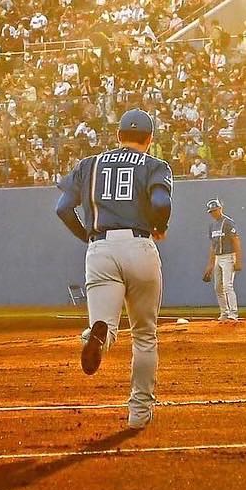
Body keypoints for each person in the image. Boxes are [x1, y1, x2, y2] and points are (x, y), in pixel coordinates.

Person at [55, 108, 173, 430]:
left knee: (104, 322)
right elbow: (161, 204)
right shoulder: (155, 166)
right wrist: (160, 225)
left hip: (101, 248)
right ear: (149, 139)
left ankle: (98, 336)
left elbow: (62, 208)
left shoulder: (89, 165)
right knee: (145, 335)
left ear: (118, 136)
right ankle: (139, 413)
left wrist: (88, 237)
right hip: (139, 246)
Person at [201, 198, 243, 324]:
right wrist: (210, 264)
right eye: (211, 211)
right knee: (218, 287)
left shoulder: (228, 222)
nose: (213, 213)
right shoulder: (212, 225)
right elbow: (213, 246)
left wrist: (238, 260)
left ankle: (233, 314)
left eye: (215, 210)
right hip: (218, 258)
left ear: (220, 208)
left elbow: (236, 241)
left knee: (227, 285)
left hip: (228, 256)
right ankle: (224, 312)